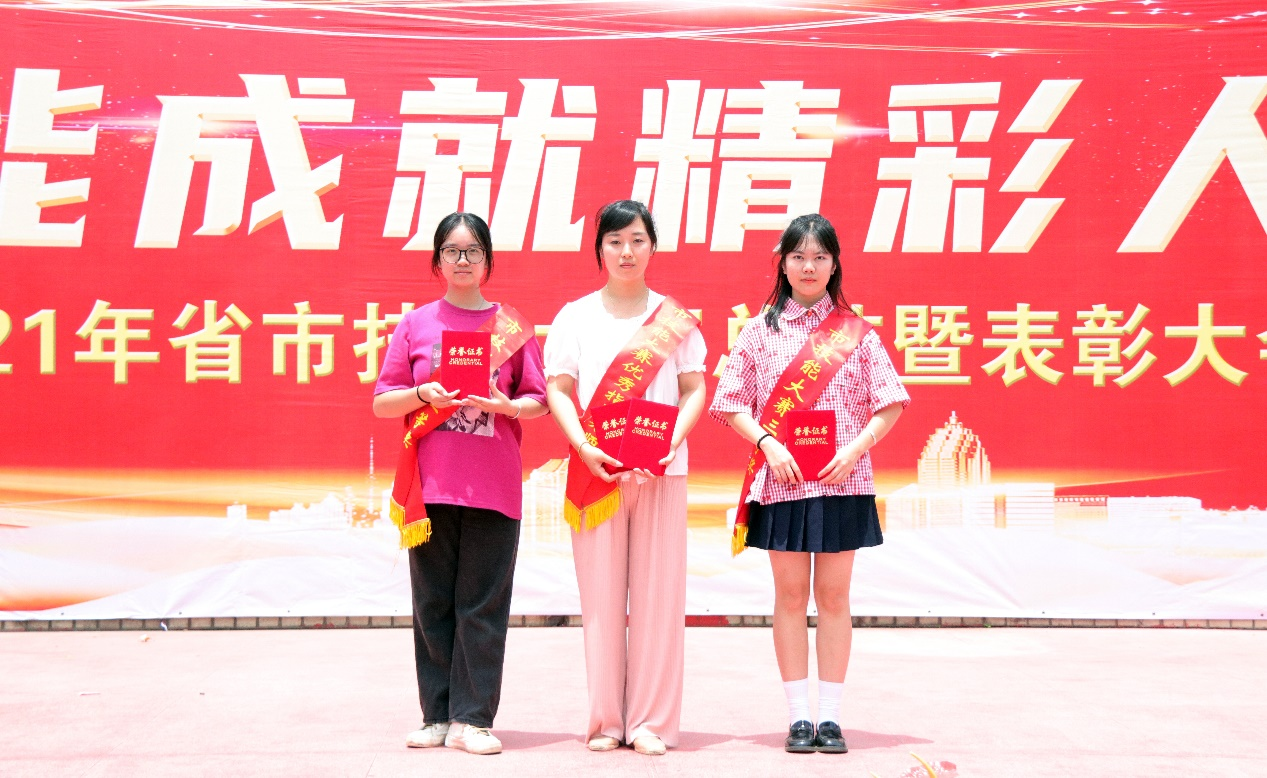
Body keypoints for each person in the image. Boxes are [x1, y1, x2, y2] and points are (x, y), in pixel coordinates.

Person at [709, 214, 909, 754]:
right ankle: (799, 717)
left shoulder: (856, 333)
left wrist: (855, 448)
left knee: (835, 597)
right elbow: (729, 402)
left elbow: (891, 402)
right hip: (783, 483)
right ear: (783, 264)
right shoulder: (760, 330)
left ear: (835, 264)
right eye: (798, 256)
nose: (809, 266)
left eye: (820, 256)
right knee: (791, 596)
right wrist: (767, 442)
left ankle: (832, 718)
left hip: (843, 482)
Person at [373, 212, 548, 756]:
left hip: (494, 487)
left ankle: (473, 720)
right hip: (431, 489)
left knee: (483, 606)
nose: (463, 260)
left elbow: (538, 402)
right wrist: (423, 394)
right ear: (438, 260)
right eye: (452, 250)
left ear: (488, 260)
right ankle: (436, 715)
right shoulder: (416, 324)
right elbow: (383, 402)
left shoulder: (512, 327)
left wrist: (504, 405)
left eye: (473, 251)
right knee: (433, 603)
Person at [543, 200, 707, 756]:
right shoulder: (575, 317)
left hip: (662, 471)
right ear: (600, 249)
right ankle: (607, 720)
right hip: (597, 474)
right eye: (614, 241)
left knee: (660, 599)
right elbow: (559, 390)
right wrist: (582, 446)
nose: (626, 251)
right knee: (601, 601)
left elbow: (694, 389)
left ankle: (650, 723)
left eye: (637, 240)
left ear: (652, 247)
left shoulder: (674, 319)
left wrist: (671, 441)